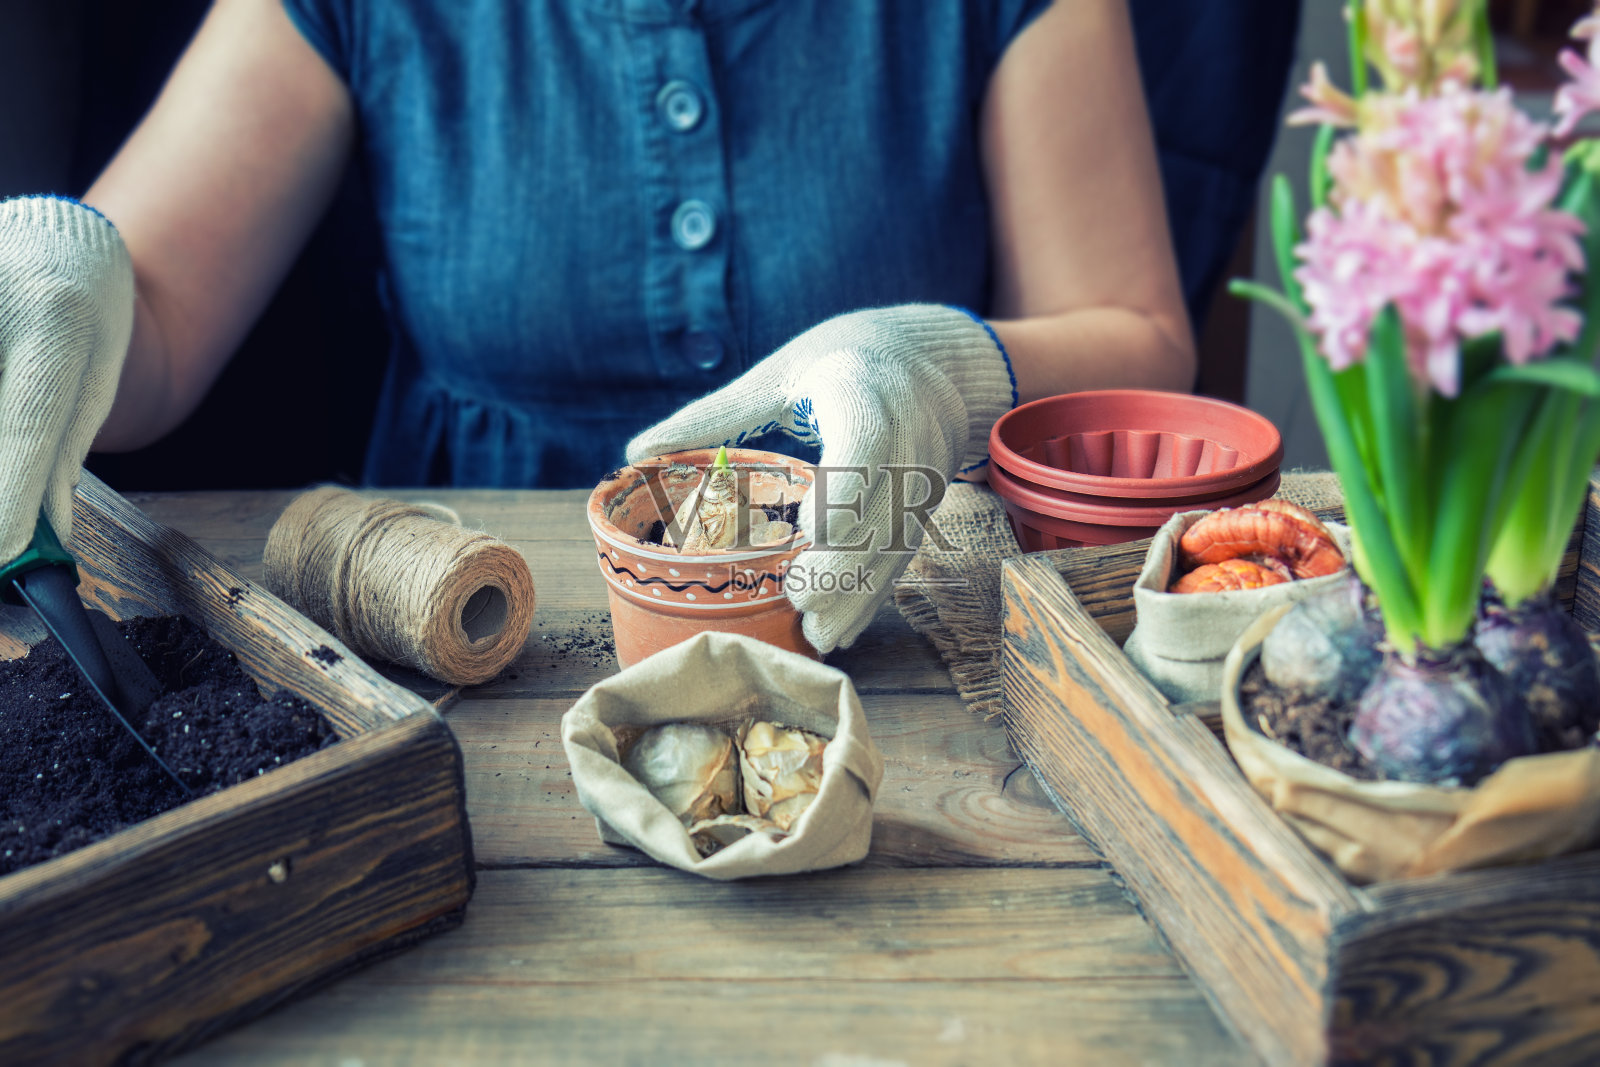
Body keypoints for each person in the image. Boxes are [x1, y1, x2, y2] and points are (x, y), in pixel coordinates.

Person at [0, 0, 1294, 653]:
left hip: (882, 634)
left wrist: (944, 367)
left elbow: (1136, 332)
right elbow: (151, 336)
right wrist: (67, 287)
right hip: (456, 644)